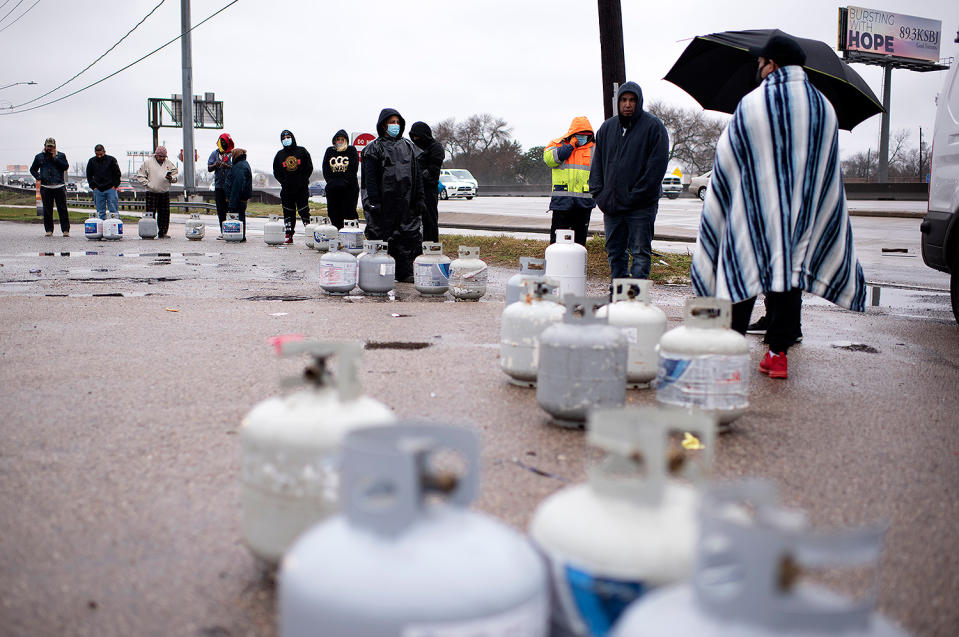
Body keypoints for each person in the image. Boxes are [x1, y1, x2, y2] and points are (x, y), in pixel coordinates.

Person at [690, 35, 866, 379]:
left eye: (761, 63)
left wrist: (724, 202)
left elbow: (727, 160)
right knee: (788, 273)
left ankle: (729, 352)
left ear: (772, 64)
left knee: (742, 268)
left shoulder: (754, 104)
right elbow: (827, 171)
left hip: (754, 210)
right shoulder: (824, 108)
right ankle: (778, 354)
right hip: (801, 215)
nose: (758, 69)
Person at [589, 82, 669, 279]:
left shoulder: (654, 127)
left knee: (640, 253)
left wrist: (635, 196)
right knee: (615, 252)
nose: (627, 104)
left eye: (632, 100)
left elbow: (656, 169)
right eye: (624, 100)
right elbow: (597, 163)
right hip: (612, 206)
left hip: (640, 207)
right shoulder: (607, 128)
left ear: (639, 102)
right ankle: (618, 297)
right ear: (619, 102)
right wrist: (599, 193)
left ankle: (636, 301)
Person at [361, 108, 426, 282]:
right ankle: (379, 274)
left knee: (408, 235)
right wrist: (374, 200)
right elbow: (370, 178)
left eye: (398, 122)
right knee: (381, 235)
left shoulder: (409, 147)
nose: (395, 125)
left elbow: (417, 174)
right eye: (392, 122)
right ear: (383, 125)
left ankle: (405, 272)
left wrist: (419, 197)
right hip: (384, 202)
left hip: (406, 201)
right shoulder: (373, 148)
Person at [543, 116, 596, 245]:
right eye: (579, 135)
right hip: (562, 203)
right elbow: (549, 160)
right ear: (572, 134)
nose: (582, 138)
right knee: (558, 242)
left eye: (586, 135)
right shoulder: (557, 144)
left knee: (579, 243)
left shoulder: (595, 149)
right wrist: (569, 147)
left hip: (583, 203)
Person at [272, 129, 313, 243]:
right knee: (288, 212)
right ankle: (289, 234)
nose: (286, 140)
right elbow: (276, 171)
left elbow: (309, 167)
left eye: (288, 137)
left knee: (304, 211)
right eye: (283, 139)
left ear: (292, 138)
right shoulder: (279, 155)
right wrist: (284, 182)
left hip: (301, 188)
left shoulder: (302, 151)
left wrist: (303, 180)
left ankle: (310, 234)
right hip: (287, 190)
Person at [409, 121, 445, 242]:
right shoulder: (413, 148)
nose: (415, 139)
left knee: (429, 219)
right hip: (414, 190)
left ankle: (431, 244)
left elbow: (432, 171)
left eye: (418, 137)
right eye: (413, 137)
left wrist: (418, 174)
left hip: (429, 189)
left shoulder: (436, 148)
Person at [30, 137, 70, 237]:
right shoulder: (39, 157)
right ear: (45, 146)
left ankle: (65, 230)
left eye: (52, 147)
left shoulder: (61, 155)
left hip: (59, 186)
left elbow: (65, 167)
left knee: (62, 209)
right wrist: (39, 177)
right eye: (48, 146)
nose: (50, 148)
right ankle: (49, 230)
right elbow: (32, 169)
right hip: (45, 187)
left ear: (55, 147)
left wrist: (55, 158)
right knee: (47, 210)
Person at [134, 146, 178, 238]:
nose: (162, 159)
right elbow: (140, 176)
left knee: (164, 213)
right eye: (160, 157)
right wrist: (148, 184)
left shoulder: (169, 163)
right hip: (152, 191)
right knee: (150, 213)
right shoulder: (148, 163)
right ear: (156, 155)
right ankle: (150, 232)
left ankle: (163, 232)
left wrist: (171, 178)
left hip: (164, 192)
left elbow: (175, 175)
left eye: (164, 157)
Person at [321, 130, 360, 229]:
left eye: (342, 140)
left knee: (349, 213)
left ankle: (351, 234)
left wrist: (345, 181)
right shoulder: (330, 151)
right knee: (334, 213)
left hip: (349, 188)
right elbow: (325, 168)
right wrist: (331, 181)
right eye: (338, 139)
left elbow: (353, 167)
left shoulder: (351, 150)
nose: (340, 141)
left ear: (346, 140)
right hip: (333, 188)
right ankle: (337, 234)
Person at [207, 133, 234, 238]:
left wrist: (227, 166)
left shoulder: (232, 154)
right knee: (220, 210)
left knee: (231, 208)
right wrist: (216, 165)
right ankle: (223, 231)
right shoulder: (215, 154)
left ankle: (232, 230)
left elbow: (236, 168)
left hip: (230, 187)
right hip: (219, 187)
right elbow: (209, 168)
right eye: (221, 142)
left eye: (225, 142)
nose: (222, 144)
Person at [85, 144, 121, 221]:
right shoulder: (91, 161)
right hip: (98, 189)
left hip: (110, 188)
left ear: (104, 152)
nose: (99, 156)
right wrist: (93, 187)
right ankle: (101, 228)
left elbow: (117, 174)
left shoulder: (111, 160)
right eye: (97, 154)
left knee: (113, 210)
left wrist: (115, 185)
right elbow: (89, 175)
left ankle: (115, 227)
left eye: (101, 154)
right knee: (100, 212)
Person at [225, 147, 252, 241]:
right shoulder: (241, 164)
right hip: (239, 198)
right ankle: (240, 236)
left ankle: (239, 236)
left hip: (238, 199)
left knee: (239, 217)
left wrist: (232, 202)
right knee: (240, 217)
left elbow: (237, 185)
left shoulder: (240, 166)